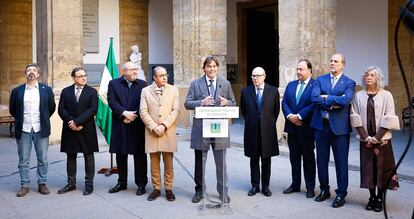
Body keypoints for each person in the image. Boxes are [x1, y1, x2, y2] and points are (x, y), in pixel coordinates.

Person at [184, 56, 236, 203]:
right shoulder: (195, 84)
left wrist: (228, 102)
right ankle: (199, 190)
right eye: (209, 66)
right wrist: (202, 102)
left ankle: (223, 192)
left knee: (221, 164)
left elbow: (233, 102)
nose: (211, 69)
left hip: (219, 129)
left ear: (217, 68)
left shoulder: (225, 84)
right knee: (200, 163)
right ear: (204, 68)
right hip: (201, 129)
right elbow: (187, 103)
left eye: (214, 66)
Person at [350, 66, 400, 212]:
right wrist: (366, 138)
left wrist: (376, 138)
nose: (368, 77)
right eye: (366, 75)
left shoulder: (387, 95)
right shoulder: (358, 95)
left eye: (372, 75)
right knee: (368, 170)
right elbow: (355, 117)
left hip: (382, 140)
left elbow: (389, 117)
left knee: (382, 170)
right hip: (365, 140)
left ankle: (380, 199)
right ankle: (372, 197)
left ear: (378, 78)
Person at [310, 53, 356, 208]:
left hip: (340, 129)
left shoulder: (349, 82)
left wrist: (326, 97)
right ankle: (324, 190)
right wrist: (332, 103)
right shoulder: (320, 80)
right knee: (321, 160)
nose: (332, 63)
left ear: (343, 65)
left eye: (336, 61)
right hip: (321, 126)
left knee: (341, 162)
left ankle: (341, 193)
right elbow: (314, 98)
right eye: (331, 61)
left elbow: (346, 100)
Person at [9, 64, 56, 197]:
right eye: (29, 70)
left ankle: (42, 183)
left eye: (34, 70)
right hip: (23, 129)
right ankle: (24, 185)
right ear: (25, 74)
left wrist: (44, 119)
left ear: (38, 74)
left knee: (43, 159)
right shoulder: (17, 91)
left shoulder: (46, 90)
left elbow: (51, 108)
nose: (31, 72)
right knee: (23, 159)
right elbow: (13, 109)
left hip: (41, 129)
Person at [107, 61, 148, 195]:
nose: (135, 72)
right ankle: (122, 182)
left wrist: (133, 115)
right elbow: (112, 102)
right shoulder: (114, 84)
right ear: (124, 71)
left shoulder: (143, 84)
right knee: (121, 155)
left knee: (140, 156)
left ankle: (141, 184)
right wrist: (124, 114)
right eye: (132, 70)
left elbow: (145, 103)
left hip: (137, 125)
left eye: (136, 69)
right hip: (121, 123)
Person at [139, 66, 180, 201]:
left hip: (167, 131)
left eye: (165, 75)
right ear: (154, 78)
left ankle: (169, 189)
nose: (164, 77)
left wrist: (163, 125)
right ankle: (156, 189)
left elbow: (175, 110)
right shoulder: (145, 91)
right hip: (152, 132)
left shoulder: (173, 90)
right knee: (154, 163)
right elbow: (143, 111)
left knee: (168, 163)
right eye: (161, 75)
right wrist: (153, 127)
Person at [57, 67, 99, 196]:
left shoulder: (92, 91)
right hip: (70, 129)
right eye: (80, 76)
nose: (84, 78)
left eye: (85, 75)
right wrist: (71, 122)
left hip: (86, 128)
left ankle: (89, 184)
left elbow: (92, 110)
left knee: (89, 157)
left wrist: (78, 122)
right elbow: (61, 109)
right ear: (74, 78)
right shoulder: (66, 91)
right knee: (71, 156)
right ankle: (71, 183)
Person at [240, 67, 280, 197]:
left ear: (264, 76)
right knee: (254, 158)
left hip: (267, 130)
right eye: (253, 76)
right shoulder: (246, 91)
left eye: (258, 75)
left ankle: (266, 186)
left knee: (266, 159)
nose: (255, 78)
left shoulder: (273, 91)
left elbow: (276, 111)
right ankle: (255, 185)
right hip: (252, 129)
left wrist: (265, 122)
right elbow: (244, 111)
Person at [281, 59, 316, 198]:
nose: (298, 72)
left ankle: (310, 187)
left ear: (310, 71)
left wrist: (300, 116)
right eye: (297, 69)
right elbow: (284, 102)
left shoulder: (315, 85)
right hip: (292, 128)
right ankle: (295, 184)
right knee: (294, 158)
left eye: (301, 69)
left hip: (306, 128)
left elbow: (314, 104)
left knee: (308, 158)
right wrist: (290, 116)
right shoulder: (291, 85)